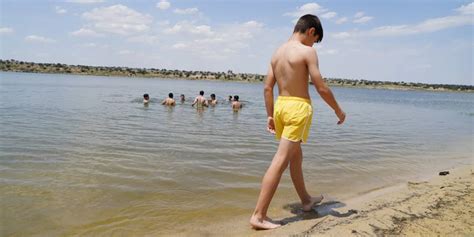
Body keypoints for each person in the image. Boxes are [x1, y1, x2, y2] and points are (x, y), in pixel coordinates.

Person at [249, 14, 346, 230]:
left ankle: (306, 200)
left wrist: (270, 115)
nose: (314, 44)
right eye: (315, 39)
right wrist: (338, 110)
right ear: (311, 31)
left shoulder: (277, 52)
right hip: (297, 109)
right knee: (281, 160)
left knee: (295, 158)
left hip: (281, 107)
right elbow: (320, 87)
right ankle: (259, 215)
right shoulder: (307, 51)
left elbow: (267, 87)